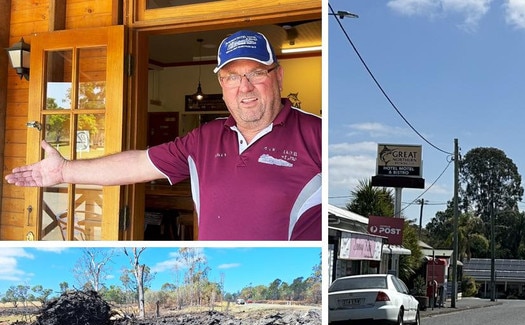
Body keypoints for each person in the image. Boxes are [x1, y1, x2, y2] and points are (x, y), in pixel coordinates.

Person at [5, 30, 321, 241]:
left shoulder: (316, 134)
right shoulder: (205, 138)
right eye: (232, 76)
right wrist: (64, 170)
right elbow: (140, 163)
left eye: (255, 73)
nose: (245, 86)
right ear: (222, 84)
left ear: (277, 75)